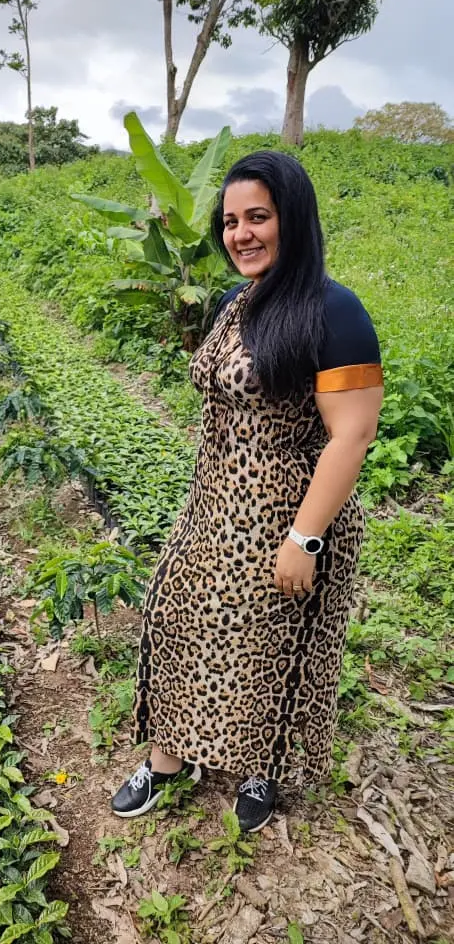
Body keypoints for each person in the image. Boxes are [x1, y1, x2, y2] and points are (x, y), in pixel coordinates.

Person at [110, 151, 384, 832]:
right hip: (213, 504)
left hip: (290, 513)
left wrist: (304, 538)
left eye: (257, 217)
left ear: (293, 219)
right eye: (230, 221)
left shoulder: (335, 311)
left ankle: (263, 768)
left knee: (271, 646)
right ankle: (168, 759)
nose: (240, 234)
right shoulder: (238, 300)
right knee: (176, 618)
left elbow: (350, 437)